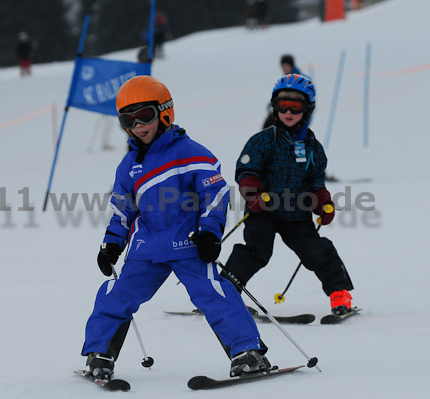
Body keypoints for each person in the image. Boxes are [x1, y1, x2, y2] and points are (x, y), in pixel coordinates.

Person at [81, 75, 271, 380]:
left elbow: (216, 193)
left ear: (164, 112)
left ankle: (246, 352)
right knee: (117, 294)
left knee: (213, 292)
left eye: (145, 116)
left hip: (188, 243)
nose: (138, 125)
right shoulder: (129, 164)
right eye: (128, 120)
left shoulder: (190, 152)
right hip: (146, 248)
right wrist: (112, 244)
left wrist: (210, 232)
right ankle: (99, 353)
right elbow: (122, 208)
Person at [223, 74, 354, 316]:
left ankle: (339, 293)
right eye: (283, 106)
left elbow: (316, 182)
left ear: (308, 109)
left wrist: (323, 203)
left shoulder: (313, 147)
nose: (289, 112)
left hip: (296, 213)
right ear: (275, 107)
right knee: (257, 251)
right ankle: (225, 293)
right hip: (262, 210)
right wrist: (255, 195)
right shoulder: (263, 141)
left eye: (296, 106)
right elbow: (246, 171)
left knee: (316, 250)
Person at [262, 54, 304, 128]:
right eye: (282, 67)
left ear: (291, 66)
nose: (284, 69)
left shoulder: (300, 80)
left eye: (286, 66)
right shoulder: (285, 80)